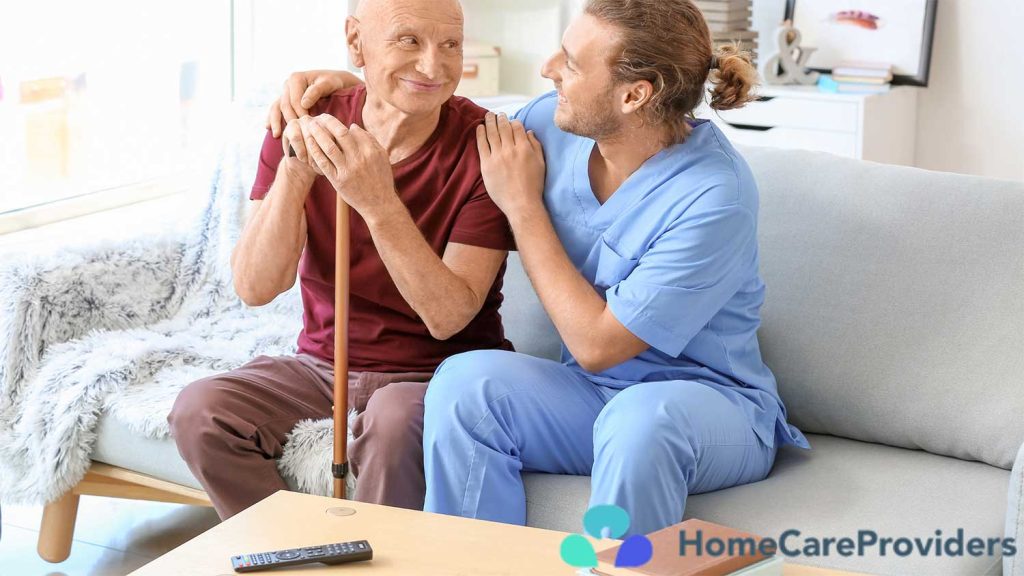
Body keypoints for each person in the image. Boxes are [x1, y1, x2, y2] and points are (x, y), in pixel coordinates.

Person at [267, 0, 811, 537]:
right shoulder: (553, 126)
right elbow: (449, 119)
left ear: (634, 95)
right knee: (465, 382)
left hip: (709, 407)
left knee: (642, 420)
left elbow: (598, 345)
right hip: (587, 395)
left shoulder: (715, 196)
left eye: (571, 63)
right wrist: (357, 83)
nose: (549, 68)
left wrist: (524, 207)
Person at [168, 0, 516, 520]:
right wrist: (295, 170)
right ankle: (287, 552)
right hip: (321, 366)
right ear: (356, 43)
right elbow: (255, 287)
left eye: (450, 45)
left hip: (436, 374)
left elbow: (448, 318)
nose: (433, 67)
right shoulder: (307, 120)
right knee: (201, 410)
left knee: (395, 420)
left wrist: (377, 201)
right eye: (408, 41)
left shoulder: (486, 147)